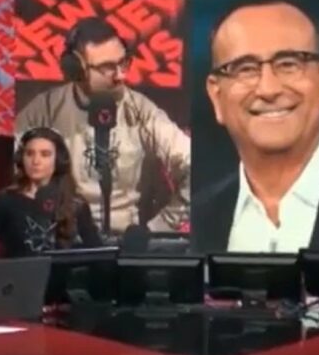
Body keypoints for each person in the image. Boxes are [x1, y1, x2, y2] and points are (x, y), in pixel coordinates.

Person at [191, 0, 319, 253]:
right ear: (216, 95)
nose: (268, 89)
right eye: (245, 69)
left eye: (288, 64)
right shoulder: (198, 218)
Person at [14, 16, 191, 237]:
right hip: (64, 242)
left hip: (127, 244)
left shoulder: (142, 111)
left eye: (123, 62)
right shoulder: (46, 109)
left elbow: (192, 165)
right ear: (76, 69)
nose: (121, 75)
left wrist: (156, 229)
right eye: (108, 67)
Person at [0, 127, 103, 256]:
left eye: (45, 154)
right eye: (29, 154)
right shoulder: (3, 201)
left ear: (58, 160)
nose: (36, 161)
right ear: (21, 158)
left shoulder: (76, 204)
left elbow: (97, 252)